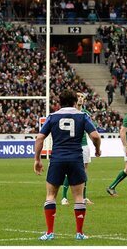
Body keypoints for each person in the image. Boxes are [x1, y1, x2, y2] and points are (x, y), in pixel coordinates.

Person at [34, 89, 102, 241]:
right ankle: (79, 233)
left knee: (51, 195)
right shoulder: (82, 116)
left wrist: (37, 159)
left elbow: (39, 139)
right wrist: (97, 149)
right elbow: (95, 136)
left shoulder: (52, 117)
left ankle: (50, 232)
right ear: (74, 101)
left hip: (57, 159)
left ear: (59, 102)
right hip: (76, 159)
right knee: (78, 197)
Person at [62, 93, 95, 206]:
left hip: (84, 144)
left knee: (84, 171)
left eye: (82, 97)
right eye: (78, 97)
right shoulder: (68, 112)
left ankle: (84, 197)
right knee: (70, 170)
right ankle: (64, 197)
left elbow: (90, 130)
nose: (80, 98)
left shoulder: (86, 113)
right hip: (73, 144)